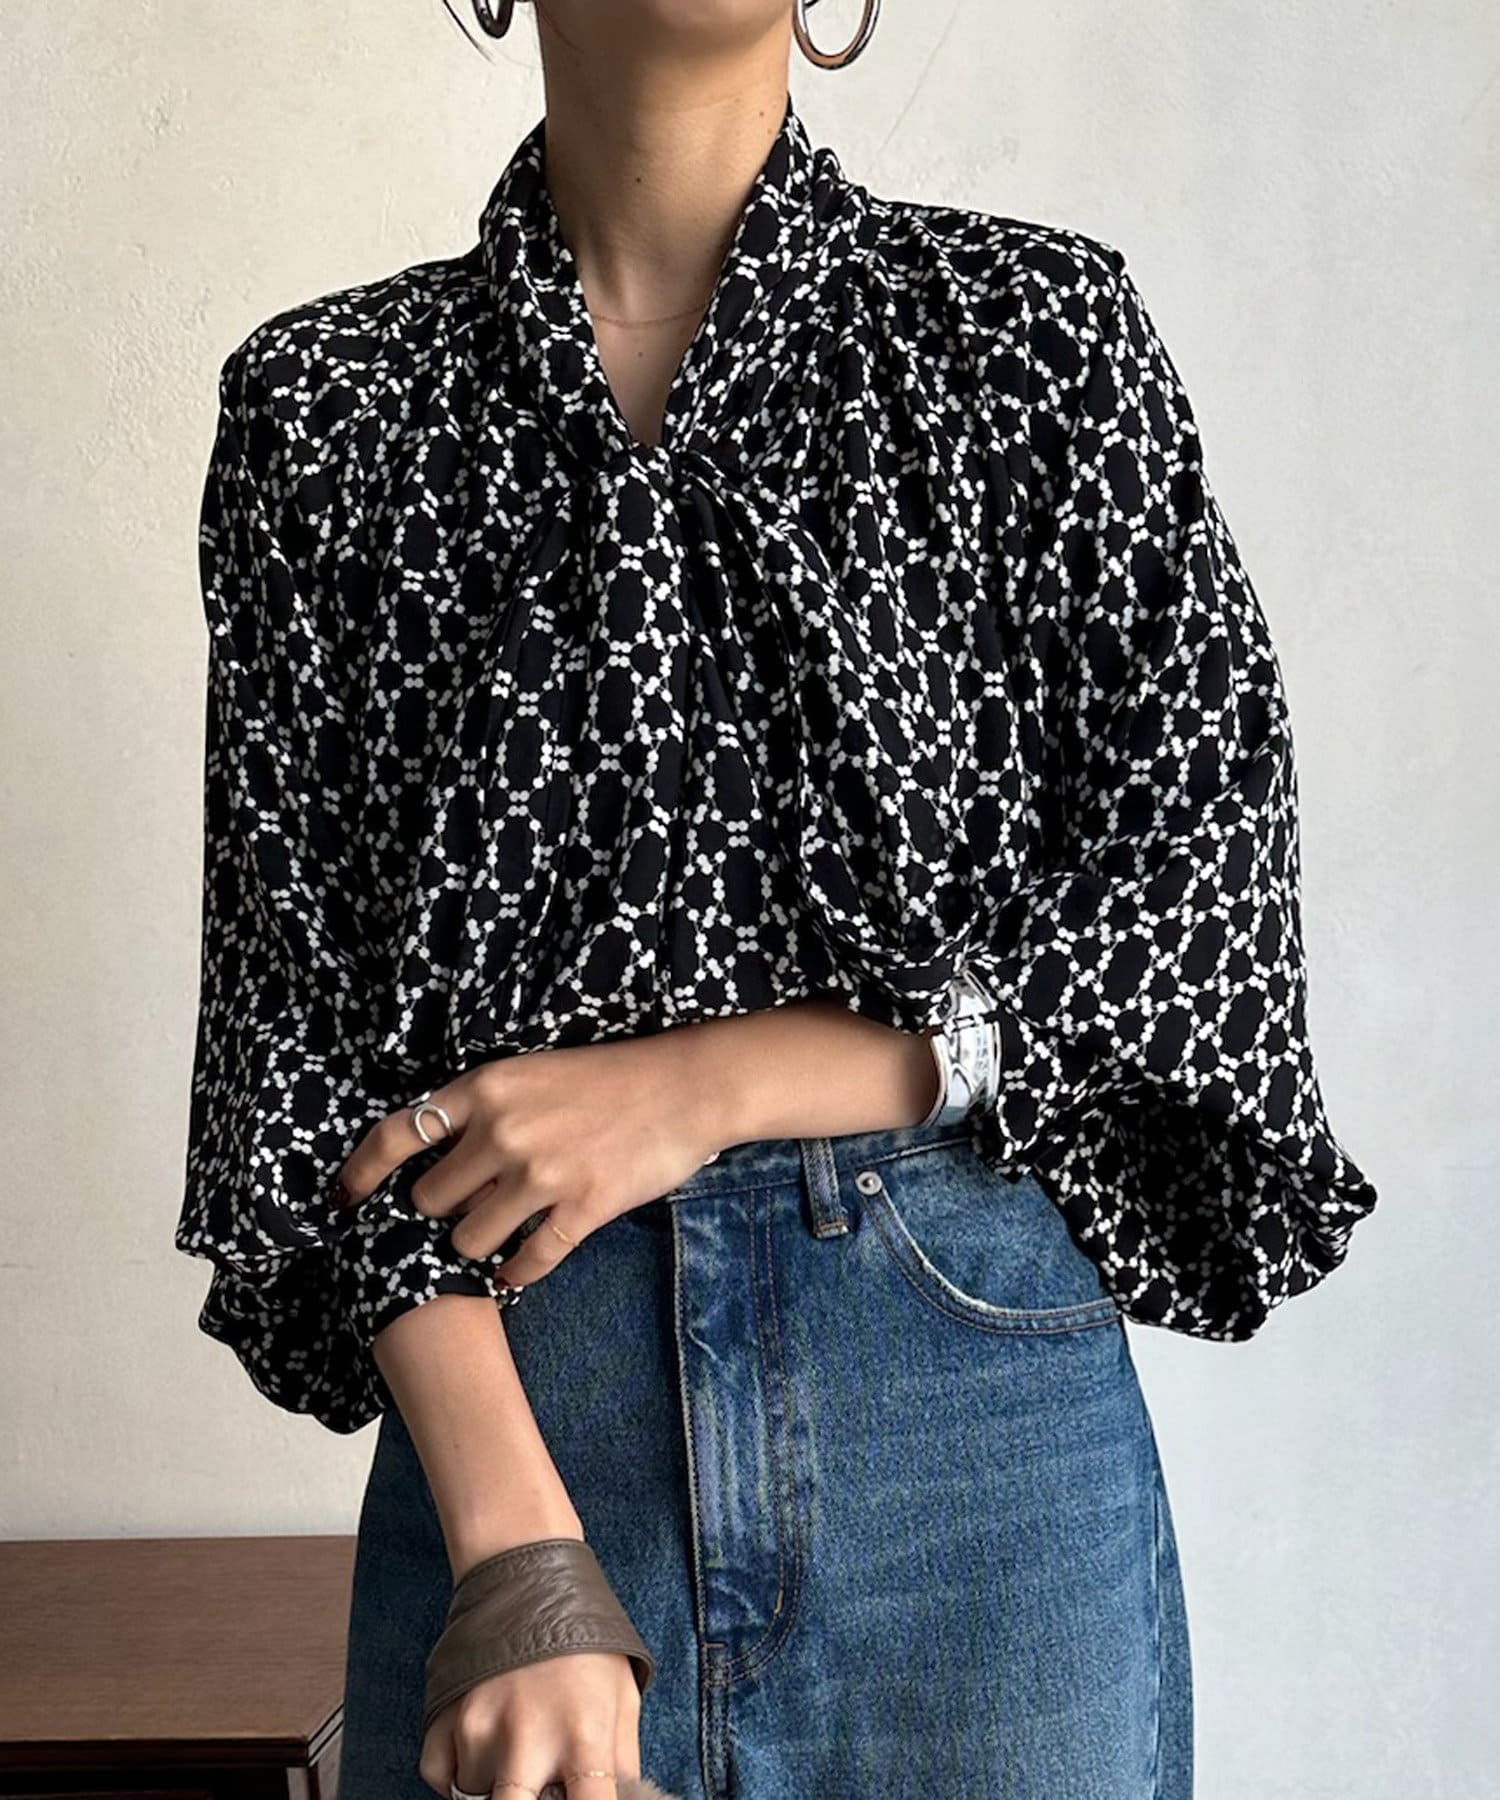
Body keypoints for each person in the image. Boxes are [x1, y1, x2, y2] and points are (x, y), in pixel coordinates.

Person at [174, 1, 1380, 1795]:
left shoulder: (1032, 342)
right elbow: (296, 1057)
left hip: (968, 1451)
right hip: (519, 1423)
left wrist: (707, 1085)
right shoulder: (331, 412)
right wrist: (516, 1558)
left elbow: (1199, 919)